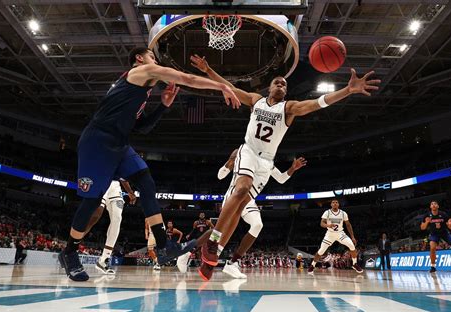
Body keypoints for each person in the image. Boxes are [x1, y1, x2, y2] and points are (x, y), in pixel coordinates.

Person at [190, 54, 380, 280]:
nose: (280, 85)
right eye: (277, 82)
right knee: (241, 189)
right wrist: (208, 68)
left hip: (266, 162)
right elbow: (228, 86)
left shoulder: (288, 109)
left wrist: (347, 91)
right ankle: (212, 243)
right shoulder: (255, 100)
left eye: (284, 84)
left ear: (285, 91)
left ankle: (214, 258)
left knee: (240, 206)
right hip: (248, 151)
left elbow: (316, 104)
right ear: (269, 88)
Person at [59, 47, 241, 281]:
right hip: (97, 141)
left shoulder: (140, 91)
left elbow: (142, 127)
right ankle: (69, 252)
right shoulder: (140, 72)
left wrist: (163, 106)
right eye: (152, 57)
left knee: (145, 180)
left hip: (120, 144)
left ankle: (164, 246)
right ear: (139, 59)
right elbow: (186, 78)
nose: (155, 61)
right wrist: (222, 86)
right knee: (92, 201)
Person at [218, 148, 306, 279]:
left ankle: (233, 263)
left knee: (257, 224)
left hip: (249, 201)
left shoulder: (268, 162)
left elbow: (281, 179)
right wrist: (229, 162)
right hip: (234, 196)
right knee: (218, 232)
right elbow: (220, 176)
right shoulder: (245, 152)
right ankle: (190, 250)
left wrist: (292, 168)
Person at [84, 180, 136, 274]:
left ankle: (104, 259)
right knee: (95, 216)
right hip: (101, 182)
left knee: (117, 218)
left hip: (115, 188)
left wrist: (130, 192)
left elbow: (123, 178)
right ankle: (73, 245)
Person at [308, 199, 363, 274]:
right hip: (330, 234)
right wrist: (328, 225)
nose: (335, 203)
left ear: (338, 204)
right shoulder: (327, 212)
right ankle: (312, 265)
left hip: (340, 233)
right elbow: (321, 223)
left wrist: (352, 237)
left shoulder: (343, 213)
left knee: (352, 245)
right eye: (333, 202)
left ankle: (354, 264)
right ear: (331, 204)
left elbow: (348, 225)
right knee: (321, 251)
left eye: (336, 202)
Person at [420, 200, 451, 273]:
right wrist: (427, 222)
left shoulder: (443, 214)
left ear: (438, 206)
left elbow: (450, 227)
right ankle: (433, 266)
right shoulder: (427, 216)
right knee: (432, 247)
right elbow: (422, 228)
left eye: (435, 204)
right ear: (430, 207)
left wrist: (450, 224)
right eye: (432, 204)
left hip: (444, 232)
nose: (433, 205)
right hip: (434, 233)